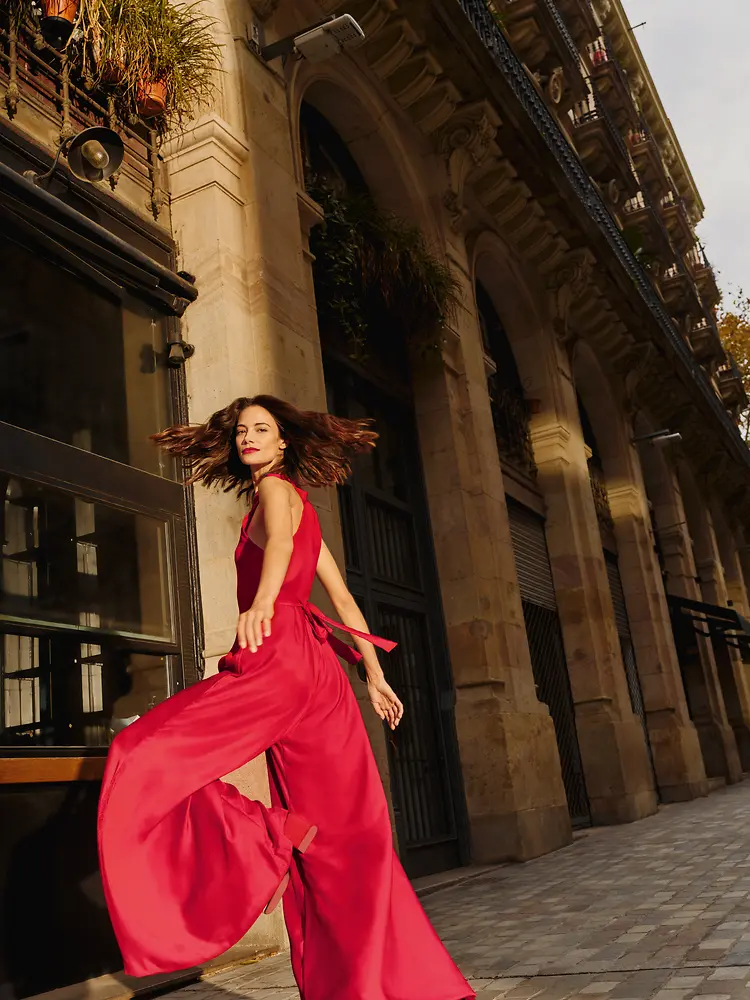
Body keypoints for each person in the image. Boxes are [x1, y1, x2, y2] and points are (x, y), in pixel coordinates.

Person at [97, 394, 474, 1000]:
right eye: (241, 429)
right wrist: (372, 674)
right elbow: (345, 602)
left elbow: (277, 551)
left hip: (283, 659)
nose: (248, 437)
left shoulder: (277, 491)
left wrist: (264, 604)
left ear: (283, 443)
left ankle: (274, 833)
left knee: (138, 753)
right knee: (346, 848)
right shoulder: (299, 507)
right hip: (320, 676)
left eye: (261, 429)